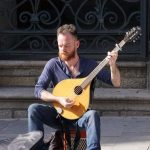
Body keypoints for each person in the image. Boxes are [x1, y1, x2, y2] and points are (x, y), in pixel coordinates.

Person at [28, 24, 121, 150]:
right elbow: (38, 90)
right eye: (60, 46)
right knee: (33, 109)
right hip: (59, 116)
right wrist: (58, 99)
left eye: (67, 45)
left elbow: (116, 83)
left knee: (93, 115)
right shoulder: (53, 64)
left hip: (81, 117)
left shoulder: (89, 65)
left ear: (77, 44)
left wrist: (112, 65)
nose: (63, 49)